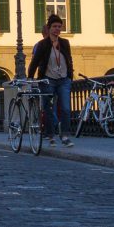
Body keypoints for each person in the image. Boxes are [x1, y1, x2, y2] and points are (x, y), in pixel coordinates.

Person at [27, 13, 75, 147]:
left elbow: (68, 59)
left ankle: (65, 135)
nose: (57, 29)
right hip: (48, 80)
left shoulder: (65, 43)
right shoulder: (43, 44)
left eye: (59, 27)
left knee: (65, 108)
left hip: (64, 79)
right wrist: (30, 77)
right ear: (49, 28)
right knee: (48, 108)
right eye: (54, 26)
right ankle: (51, 135)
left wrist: (70, 75)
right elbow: (35, 62)